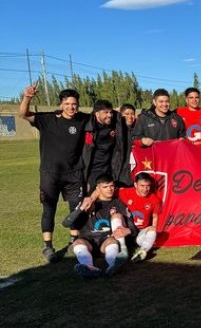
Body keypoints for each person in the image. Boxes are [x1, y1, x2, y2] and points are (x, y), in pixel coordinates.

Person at [19, 83, 89, 262]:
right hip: (50, 174)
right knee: (49, 209)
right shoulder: (48, 119)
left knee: (76, 209)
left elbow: (102, 116)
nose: (71, 107)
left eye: (74, 104)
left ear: (78, 105)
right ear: (61, 104)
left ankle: (74, 241)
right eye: (67, 104)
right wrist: (27, 97)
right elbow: (23, 114)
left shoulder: (82, 119)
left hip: (74, 174)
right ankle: (48, 246)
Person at [70, 174, 135, 278]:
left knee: (112, 240)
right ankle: (88, 268)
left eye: (112, 186)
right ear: (98, 188)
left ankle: (113, 265)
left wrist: (129, 230)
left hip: (106, 240)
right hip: (88, 240)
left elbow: (132, 227)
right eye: (105, 187)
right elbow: (67, 223)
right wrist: (81, 209)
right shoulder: (88, 203)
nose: (110, 189)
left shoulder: (119, 203)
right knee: (78, 242)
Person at [82, 99, 132, 192]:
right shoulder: (87, 125)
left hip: (110, 169)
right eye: (105, 112)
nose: (109, 115)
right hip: (92, 170)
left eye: (110, 112)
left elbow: (131, 119)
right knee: (90, 199)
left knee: (108, 199)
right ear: (96, 113)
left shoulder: (116, 122)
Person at [118, 173, 161, 262]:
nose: (145, 189)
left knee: (153, 229)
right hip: (127, 232)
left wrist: (153, 229)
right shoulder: (125, 192)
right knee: (116, 217)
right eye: (142, 185)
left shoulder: (154, 199)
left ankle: (143, 251)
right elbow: (108, 192)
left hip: (140, 234)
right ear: (135, 185)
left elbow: (155, 216)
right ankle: (122, 250)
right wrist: (91, 198)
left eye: (148, 186)